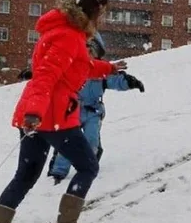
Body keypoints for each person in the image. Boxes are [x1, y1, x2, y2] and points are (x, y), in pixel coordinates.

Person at [0, 0, 127, 223]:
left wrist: (108, 68)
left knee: (25, 176)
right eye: (102, 12)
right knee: (88, 166)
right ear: (91, 11)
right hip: (53, 116)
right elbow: (45, 76)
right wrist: (36, 113)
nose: (103, 18)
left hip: (37, 116)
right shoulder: (70, 37)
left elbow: (80, 64)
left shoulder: (60, 31)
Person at [44, 31, 145, 184]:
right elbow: (52, 75)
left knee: (91, 139)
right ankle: (58, 171)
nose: (88, 53)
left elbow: (115, 80)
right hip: (72, 111)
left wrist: (130, 82)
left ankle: (87, 166)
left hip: (93, 112)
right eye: (85, 50)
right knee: (68, 142)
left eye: (92, 50)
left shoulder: (101, 70)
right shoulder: (72, 67)